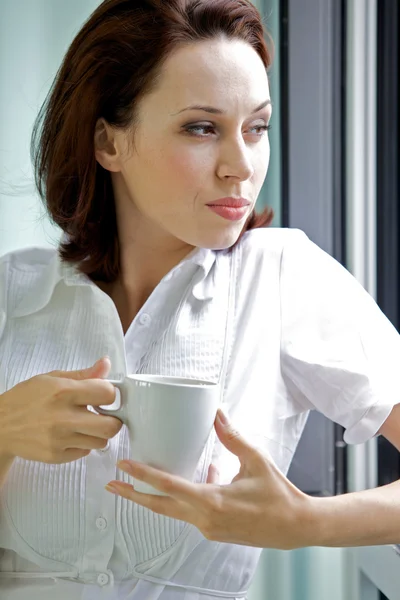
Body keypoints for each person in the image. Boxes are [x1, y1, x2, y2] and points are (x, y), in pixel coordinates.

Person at [0, 0, 399, 598]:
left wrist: (306, 523)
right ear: (108, 142)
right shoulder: (11, 292)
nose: (241, 166)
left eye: (257, 127)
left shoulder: (285, 277)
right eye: (202, 128)